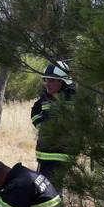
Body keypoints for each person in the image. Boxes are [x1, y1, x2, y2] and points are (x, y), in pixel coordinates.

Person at [31, 60, 75, 190]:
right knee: (44, 189)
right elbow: (35, 112)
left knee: (50, 191)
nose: (47, 84)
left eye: (51, 80)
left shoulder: (73, 100)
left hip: (60, 155)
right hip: (44, 154)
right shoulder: (45, 98)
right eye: (46, 80)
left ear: (62, 81)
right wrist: (43, 126)